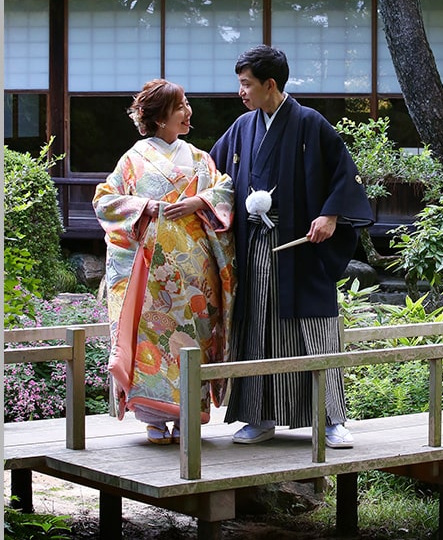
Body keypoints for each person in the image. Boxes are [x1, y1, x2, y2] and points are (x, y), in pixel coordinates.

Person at [209, 45, 374, 449]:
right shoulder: (243, 127)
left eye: (247, 85)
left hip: (300, 247)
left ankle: (331, 418)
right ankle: (259, 415)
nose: (241, 92)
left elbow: (343, 174)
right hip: (252, 247)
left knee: (314, 328)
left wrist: (331, 215)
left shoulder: (309, 123)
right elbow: (211, 173)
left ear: (270, 84)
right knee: (256, 329)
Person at [93, 79, 236, 444]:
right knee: (153, 343)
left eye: (187, 104)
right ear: (159, 118)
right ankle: (154, 418)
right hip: (152, 274)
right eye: (180, 106)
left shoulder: (201, 159)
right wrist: (145, 207)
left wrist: (199, 202)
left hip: (195, 272)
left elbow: (224, 191)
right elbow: (104, 201)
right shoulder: (132, 161)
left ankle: (188, 416)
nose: (188, 112)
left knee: (193, 341)